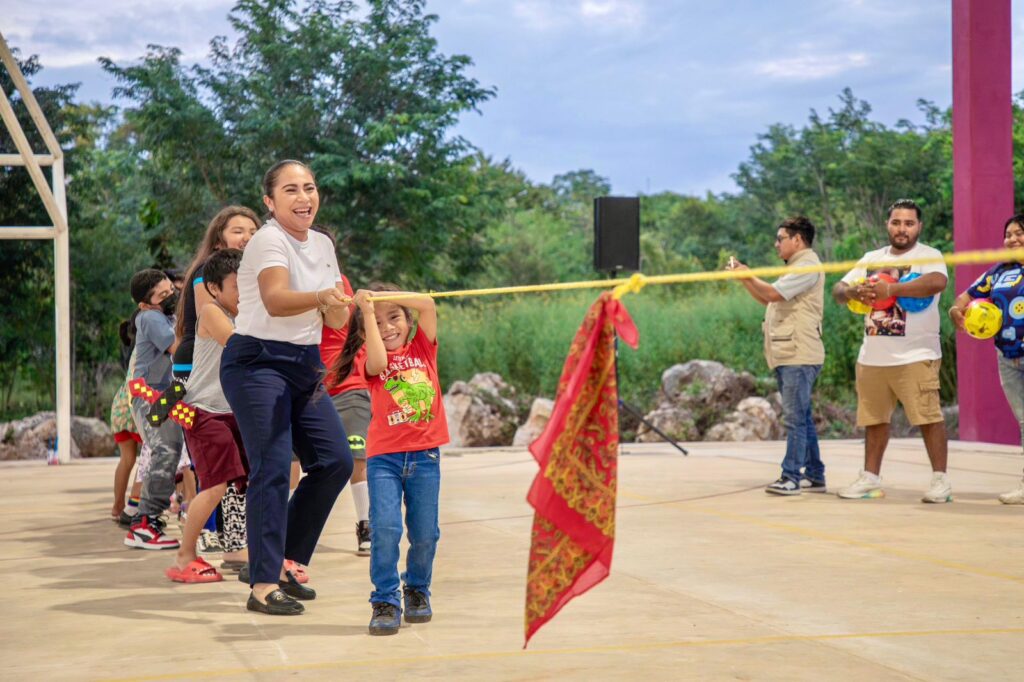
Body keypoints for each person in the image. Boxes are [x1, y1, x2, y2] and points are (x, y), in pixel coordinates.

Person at [220, 160, 353, 616]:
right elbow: (276, 301)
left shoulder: (322, 244)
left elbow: (335, 318)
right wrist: (320, 298)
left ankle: (279, 560)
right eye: (292, 190)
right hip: (257, 361)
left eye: (310, 188)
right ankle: (261, 585)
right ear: (270, 202)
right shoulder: (267, 240)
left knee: (335, 461)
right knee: (273, 468)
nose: (304, 197)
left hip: (304, 363)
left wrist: (340, 305)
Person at [832, 199, 951, 502]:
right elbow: (838, 291)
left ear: (918, 227)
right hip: (872, 356)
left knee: (928, 417)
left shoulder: (929, 255)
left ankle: (940, 481)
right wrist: (853, 291)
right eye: (896, 222)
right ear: (888, 224)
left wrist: (892, 290)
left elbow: (936, 282)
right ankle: (870, 478)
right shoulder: (872, 257)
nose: (902, 229)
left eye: (909, 223)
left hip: (916, 355)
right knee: (874, 419)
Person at [352, 284, 448, 636]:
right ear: (366, 332)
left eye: (394, 318)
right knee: (386, 530)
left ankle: (417, 589)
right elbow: (378, 362)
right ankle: (385, 599)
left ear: (408, 322)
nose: (388, 327)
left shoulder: (423, 348)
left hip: (425, 456)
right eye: (377, 324)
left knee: (425, 534)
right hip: (384, 460)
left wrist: (380, 297)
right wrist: (367, 311)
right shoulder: (369, 357)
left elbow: (427, 304)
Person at [173, 206, 260, 569]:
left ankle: (238, 548)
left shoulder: (242, 301)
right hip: (202, 407)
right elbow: (238, 345)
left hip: (230, 407)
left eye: (253, 230)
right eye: (238, 230)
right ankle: (184, 555)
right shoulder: (212, 300)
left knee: (240, 482)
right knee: (213, 485)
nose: (247, 236)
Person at [726, 216, 826, 495]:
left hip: (798, 354)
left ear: (797, 239)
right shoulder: (796, 267)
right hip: (790, 353)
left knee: (794, 418)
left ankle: (791, 477)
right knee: (802, 416)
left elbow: (772, 292)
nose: (776, 244)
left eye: (780, 238)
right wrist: (744, 279)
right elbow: (767, 297)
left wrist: (747, 274)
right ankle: (815, 474)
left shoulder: (807, 266)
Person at [949, 213, 1024, 504]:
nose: (1012, 239)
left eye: (1019, 233)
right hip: (1007, 356)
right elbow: (963, 299)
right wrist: (957, 311)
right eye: (1008, 234)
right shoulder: (997, 272)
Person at [123, 269, 185, 549]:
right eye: (163, 295)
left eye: (171, 289)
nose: (171, 296)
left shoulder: (163, 315)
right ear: (145, 304)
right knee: (166, 450)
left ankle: (150, 519)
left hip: (168, 392)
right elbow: (178, 348)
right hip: (150, 394)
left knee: (178, 452)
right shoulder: (150, 317)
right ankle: (144, 523)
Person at [319, 258, 372, 554]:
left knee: (356, 455)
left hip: (347, 385)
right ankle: (286, 527)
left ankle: (366, 524)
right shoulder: (282, 281)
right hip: (304, 388)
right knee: (289, 462)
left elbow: (337, 319)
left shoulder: (336, 281)